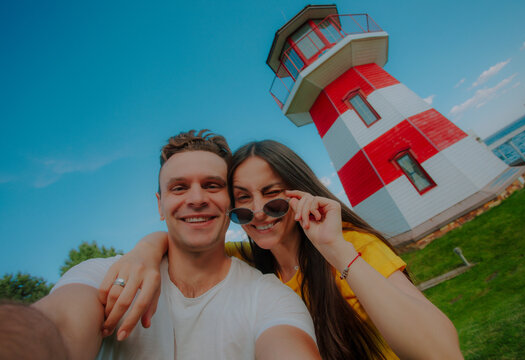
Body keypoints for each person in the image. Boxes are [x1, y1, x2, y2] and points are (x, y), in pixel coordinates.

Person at [101, 140, 464, 360]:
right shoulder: (251, 261)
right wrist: (143, 252)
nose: (258, 211)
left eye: (273, 195)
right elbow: (182, 243)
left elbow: (442, 354)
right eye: (243, 199)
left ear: (299, 191)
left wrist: (334, 249)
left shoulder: (352, 246)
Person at [9, 131, 320, 360]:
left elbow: (287, 345)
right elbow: (57, 327)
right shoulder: (103, 275)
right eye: (179, 187)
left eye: (212, 185)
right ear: (160, 205)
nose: (197, 199)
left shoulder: (269, 296)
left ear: (231, 201)